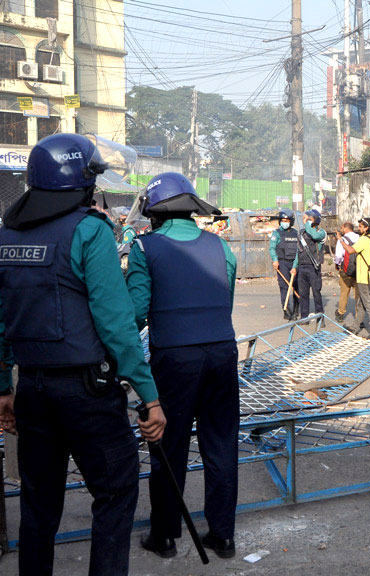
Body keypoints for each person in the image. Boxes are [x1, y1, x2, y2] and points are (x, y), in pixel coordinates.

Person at [0, 133, 166, 576]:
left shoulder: (4, 238)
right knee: (115, 494)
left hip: (33, 393)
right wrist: (149, 396)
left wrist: (3, 389)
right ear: (83, 182)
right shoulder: (90, 230)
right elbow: (116, 324)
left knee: (39, 506)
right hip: (88, 395)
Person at [126, 173, 239, 560]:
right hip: (222, 352)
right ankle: (223, 535)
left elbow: (137, 311)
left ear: (154, 212)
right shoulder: (219, 245)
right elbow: (226, 297)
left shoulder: (144, 247)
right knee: (221, 444)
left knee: (168, 445)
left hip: (174, 358)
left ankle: (165, 536)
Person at [339, 217, 370, 339]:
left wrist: (340, 240)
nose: (358, 228)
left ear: (366, 228)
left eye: (360, 226)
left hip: (365, 278)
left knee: (369, 305)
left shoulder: (364, 239)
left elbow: (350, 250)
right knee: (361, 304)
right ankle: (354, 328)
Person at [269, 210, 299, 320]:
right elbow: (272, 248)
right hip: (282, 263)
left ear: (291, 221)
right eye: (282, 221)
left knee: (297, 287)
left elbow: (299, 251)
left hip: (294, 263)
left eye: (286, 221)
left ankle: (296, 309)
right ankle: (286, 309)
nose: (284, 222)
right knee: (284, 287)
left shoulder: (296, 234)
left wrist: (295, 265)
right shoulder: (276, 233)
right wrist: (275, 260)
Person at [296, 209, 326, 318]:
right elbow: (298, 251)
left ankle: (319, 317)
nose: (304, 220)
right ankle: (304, 317)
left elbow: (314, 236)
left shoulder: (321, 232)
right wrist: (295, 266)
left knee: (316, 293)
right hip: (302, 266)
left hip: (314, 267)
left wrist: (309, 224)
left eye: (307, 218)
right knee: (303, 294)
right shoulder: (302, 233)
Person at [333, 222, 360, 321]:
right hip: (358, 270)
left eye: (341, 228)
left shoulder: (342, 240)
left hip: (346, 270)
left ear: (345, 228)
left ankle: (341, 313)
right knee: (358, 294)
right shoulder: (360, 238)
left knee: (344, 292)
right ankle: (358, 316)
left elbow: (339, 256)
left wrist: (337, 264)